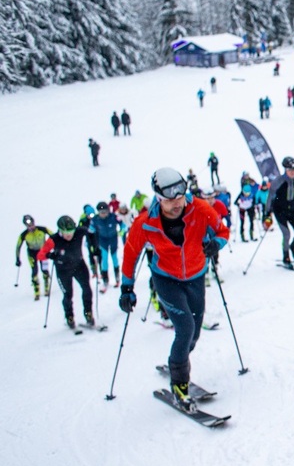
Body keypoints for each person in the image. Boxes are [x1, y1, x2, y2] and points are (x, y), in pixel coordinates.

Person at [119, 168, 228, 412]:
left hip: (196, 276)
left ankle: (178, 360)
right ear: (158, 197)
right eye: (169, 199)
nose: (176, 203)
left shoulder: (200, 209)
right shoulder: (146, 222)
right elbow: (131, 252)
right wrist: (127, 288)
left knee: (194, 333)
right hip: (166, 279)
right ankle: (180, 384)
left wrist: (215, 244)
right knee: (185, 328)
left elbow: (222, 231)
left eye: (180, 197)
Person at [38, 215, 95, 329]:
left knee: (87, 289)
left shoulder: (79, 231)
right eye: (66, 232)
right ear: (60, 231)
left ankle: (88, 313)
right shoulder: (54, 239)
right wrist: (50, 255)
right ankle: (69, 316)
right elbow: (40, 255)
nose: (69, 235)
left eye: (71, 231)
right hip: (63, 270)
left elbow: (92, 232)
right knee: (68, 294)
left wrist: (95, 247)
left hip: (79, 266)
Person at [16, 215, 53, 300]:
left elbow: (53, 235)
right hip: (32, 254)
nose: (30, 227)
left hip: (43, 252)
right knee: (34, 271)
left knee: (44, 270)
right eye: (28, 225)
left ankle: (46, 287)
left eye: (31, 224)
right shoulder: (24, 234)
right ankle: (36, 290)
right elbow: (18, 246)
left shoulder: (42, 229)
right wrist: (17, 258)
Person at [90, 201, 122, 290]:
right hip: (103, 241)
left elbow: (122, 224)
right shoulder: (95, 219)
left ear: (108, 211)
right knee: (104, 261)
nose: (103, 214)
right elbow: (91, 230)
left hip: (113, 240)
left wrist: (121, 231)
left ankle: (117, 278)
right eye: (101, 213)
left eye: (105, 212)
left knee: (114, 258)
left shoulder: (113, 216)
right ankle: (105, 280)